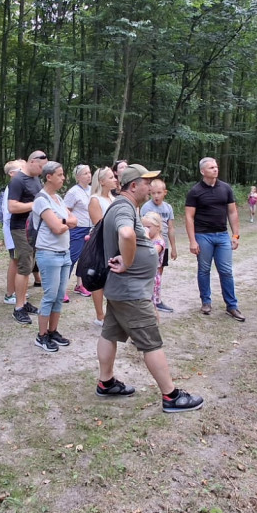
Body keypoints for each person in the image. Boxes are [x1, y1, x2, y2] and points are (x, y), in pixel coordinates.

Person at [95, 164, 204, 413]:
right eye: (147, 183)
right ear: (134, 186)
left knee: (109, 333)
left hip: (121, 290)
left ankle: (106, 382)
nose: (151, 187)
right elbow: (126, 233)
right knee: (151, 343)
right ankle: (171, 397)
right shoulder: (124, 208)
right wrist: (129, 261)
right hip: (131, 292)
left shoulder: (124, 206)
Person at [185, 157, 244, 321]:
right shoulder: (195, 191)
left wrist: (236, 235)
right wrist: (192, 240)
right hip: (203, 236)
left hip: (222, 235)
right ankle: (206, 301)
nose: (215, 170)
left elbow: (232, 212)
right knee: (204, 270)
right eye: (211, 167)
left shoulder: (225, 189)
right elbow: (189, 217)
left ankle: (232, 306)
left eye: (216, 167)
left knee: (226, 271)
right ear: (203, 171)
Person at [31, 161, 76, 352]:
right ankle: (41, 336)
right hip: (48, 254)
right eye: (60, 174)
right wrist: (66, 222)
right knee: (50, 295)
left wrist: (63, 221)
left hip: (64, 253)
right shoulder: (41, 199)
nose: (63, 178)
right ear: (48, 177)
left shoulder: (58, 198)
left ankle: (53, 331)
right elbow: (57, 228)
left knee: (59, 296)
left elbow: (74, 220)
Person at [7, 150, 47, 324]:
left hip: (33, 228)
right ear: (32, 162)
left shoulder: (36, 179)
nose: (42, 170)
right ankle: (18, 308)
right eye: (41, 166)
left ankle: (24, 301)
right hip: (20, 228)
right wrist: (35, 205)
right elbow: (12, 207)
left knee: (30, 265)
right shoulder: (17, 180)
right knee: (24, 266)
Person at [140, 178, 177, 312]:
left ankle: (157, 299)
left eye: (159, 193)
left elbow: (171, 228)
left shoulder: (168, 208)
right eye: (153, 193)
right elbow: (141, 227)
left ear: (165, 192)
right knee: (149, 272)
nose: (156, 196)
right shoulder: (146, 207)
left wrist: (173, 248)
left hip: (164, 245)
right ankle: (146, 299)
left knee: (159, 272)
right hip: (149, 246)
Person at [88, 166, 117, 326]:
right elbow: (98, 224)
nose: (114, 180)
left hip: (114, 243)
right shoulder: (95, 200)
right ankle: (100, 315)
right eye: (111, 177)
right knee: (98, 278)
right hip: (101, 244)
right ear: (102, 181)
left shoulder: (114, 199)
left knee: (112, 278)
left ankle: (113, 312)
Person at [0, 159, 25, 305]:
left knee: (19, 261)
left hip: (18, 230)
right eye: (21, 169)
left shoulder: (17, 186)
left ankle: (18, 291)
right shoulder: (12, 188)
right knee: (14, 260)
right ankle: (9, 294)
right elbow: (9, 213)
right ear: (12, 173)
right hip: (12, 231)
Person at [64, 164, 93, 298]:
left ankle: (80, 284)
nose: (88, 175)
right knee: (72, 257)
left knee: (85, 259)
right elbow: (65, 210)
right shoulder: (73, 192)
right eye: (85, 173)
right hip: (77, 229)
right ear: (78, 177)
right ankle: (62, 288)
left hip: (90, 229)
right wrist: (71, 223)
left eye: (89, 172)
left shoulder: (92, 190)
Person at [141, 211, 167, 317]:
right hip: (144, 275)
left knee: (151, 306)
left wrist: (145, 237)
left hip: (152, 276)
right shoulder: (148, 239)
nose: (145, 230)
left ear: (157, 227)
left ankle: (154, 325)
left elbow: (150, 254)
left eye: (148, 227)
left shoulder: (159, 242)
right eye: (143, 227)